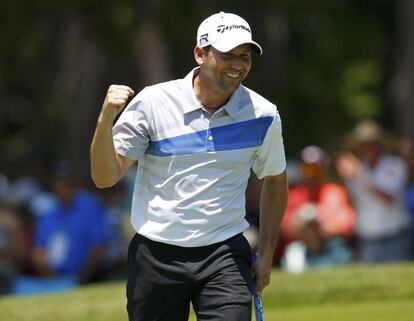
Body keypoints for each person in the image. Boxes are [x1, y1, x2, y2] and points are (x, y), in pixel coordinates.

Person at [90, 11, 288, 321]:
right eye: (227, 55)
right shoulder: (153, 103)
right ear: (200, 53)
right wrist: (105, 121)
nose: (238, 64)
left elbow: (275, 180)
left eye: (245, 56)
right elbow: (104, 178)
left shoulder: (263, 114)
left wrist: (266, 253)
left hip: (225, 254)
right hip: (156, 254)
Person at [336, 120, 413, 263]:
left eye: (371, 144)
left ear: (380, 145)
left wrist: (359, 176)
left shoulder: (395, 166)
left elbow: (388, 198)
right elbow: (352, 204)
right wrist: (344, 179)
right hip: (368, 241)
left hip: (395, 239)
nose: (367, 148)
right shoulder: (357, 171)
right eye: (363, 145)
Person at [31, 162, 108, 284]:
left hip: (86, 278)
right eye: (59, 184)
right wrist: (52, 278)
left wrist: (82, 278)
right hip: (52, 278)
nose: (63, 189)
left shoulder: (90, 207)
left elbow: (99, 247)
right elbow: (38, 252)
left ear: (74, 186)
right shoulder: (48, 212)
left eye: (67, 184)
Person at [279, 146, 355, 258]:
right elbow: (283, 228)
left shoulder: (335, 192)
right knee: (294, 253)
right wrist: (301, 222)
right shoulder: (293, 195)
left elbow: (347, 225)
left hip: (330, 246)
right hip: (301, 247)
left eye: (315, 168)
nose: (311, 173)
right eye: (307, 168)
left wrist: (319, 226)